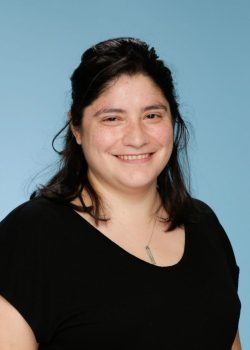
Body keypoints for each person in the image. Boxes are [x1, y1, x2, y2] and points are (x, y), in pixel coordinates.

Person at [0, 37, 241, 349]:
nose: (137, 138)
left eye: (152, 115)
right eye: (112, 118)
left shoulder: (204, 225)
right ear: (76, 128)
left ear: (173, 120)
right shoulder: (30, 237)